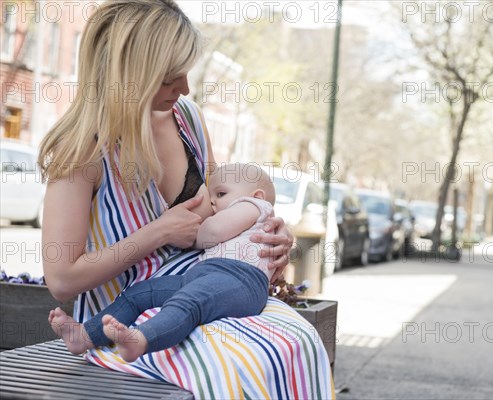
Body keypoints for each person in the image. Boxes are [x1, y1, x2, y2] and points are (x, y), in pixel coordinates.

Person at [38, 1, 334, 398]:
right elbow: (62, 279)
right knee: (234, 368)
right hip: (123, 321)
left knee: (297, 341)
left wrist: (272, 231)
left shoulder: (187, 117)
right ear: (129, 74)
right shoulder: (81, 152)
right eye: (169, 77)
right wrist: (157, 232)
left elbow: (227, 203)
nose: (185, 89)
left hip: (206, 290)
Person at [49, 163, 276, 362]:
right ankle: (84, 335)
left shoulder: (254, 206)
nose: (213, 202)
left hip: (240, 279)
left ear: (257, 196)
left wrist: (187, 232)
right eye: (212, 195)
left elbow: (213, 231)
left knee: (188, 302)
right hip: (205, 275)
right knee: (139, 294)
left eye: (221, 193)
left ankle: (141, 339)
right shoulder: (244, 210)